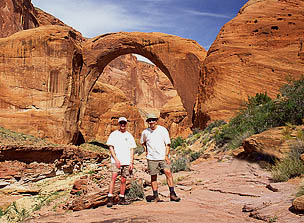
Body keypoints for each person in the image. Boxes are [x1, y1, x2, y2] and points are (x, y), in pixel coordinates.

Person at [140, 113, 181, 202]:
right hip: (151, 158)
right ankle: (156, 196)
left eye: (153, 120)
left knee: (168, 173)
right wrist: (146, 150)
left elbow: (168, 144)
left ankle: (172, 194)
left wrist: (166, 156)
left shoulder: (163, 130)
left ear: (156, 121)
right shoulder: (145, 132)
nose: (151, 122)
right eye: (150, 120)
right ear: (147, 122)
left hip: (162, 157)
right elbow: (142, 142)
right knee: (153, 177)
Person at [106, 117, 137, 208]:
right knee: (114, 177)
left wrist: (131, 162)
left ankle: (122, 198)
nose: (122, 125)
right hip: (115, 161)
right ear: (119, 124)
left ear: (126, 124)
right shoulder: (114, 134)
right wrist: (116, 159)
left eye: (124, 123)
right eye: (121, 123)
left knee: (123, 179)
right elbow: (110, 147)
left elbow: (132, 149)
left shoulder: (129, 135)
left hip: (126, 161)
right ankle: (110, 197)